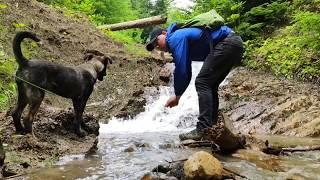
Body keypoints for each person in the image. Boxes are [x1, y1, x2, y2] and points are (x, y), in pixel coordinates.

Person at [146, 22, 244, 141]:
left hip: (227, 43)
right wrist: (179, 93)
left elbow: (182, 69)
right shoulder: (177, 38)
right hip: (234, 43)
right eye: (155, 46)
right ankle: (212, 128)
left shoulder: (174, 37)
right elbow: (186, 68)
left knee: (202, 82)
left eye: (157, 41)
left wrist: (177, 96)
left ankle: (204, 129)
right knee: (210, 85)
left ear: (164, 33)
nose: (157, 46)